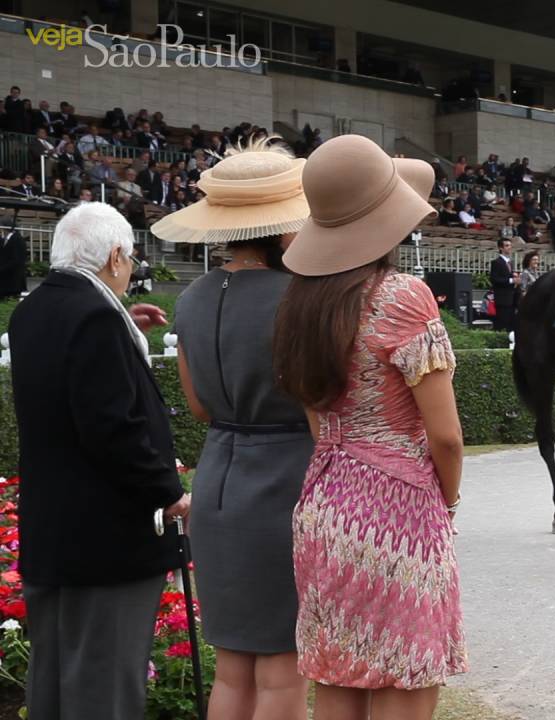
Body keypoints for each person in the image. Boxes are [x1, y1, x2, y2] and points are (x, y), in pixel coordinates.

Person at [275, 134, 467, 717]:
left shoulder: (299, 303)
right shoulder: (404, 297)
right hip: (399, 504)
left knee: (338, 669)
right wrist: (447, 501)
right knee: (405, 672)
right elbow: (447, 436)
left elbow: (317, 416)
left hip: (325, 500)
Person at [151, 138, 323, 720]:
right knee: (281, 671)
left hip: (219, 476)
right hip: (286, 481)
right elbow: (322, 407)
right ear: (282, 228)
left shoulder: (192, 296)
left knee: (232, 670)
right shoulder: (302, 298)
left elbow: (198, 406)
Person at [9, 202, 190, 719]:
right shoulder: (93, 317)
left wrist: (122, 324)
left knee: (54, 681)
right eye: (131, 259)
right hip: (105, 540)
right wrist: (168, 493)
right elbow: (112, 428)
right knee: (104, 684)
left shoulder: (35, 308)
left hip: (54, 531)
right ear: (115, 256)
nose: (131, 270)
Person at [490, 238, 518, 331]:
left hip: (512, 297)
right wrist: (511, 280)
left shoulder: (510, 262)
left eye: (510, 245)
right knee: (502, 322)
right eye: (506, 245)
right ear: (501, 248)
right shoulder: (496, 262)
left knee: (511, 322)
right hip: (502, 298)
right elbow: (494, 279)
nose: (509, 248)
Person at [0, 222, 26, 298]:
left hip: (14, 280)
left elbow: (16, 260)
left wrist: (2, 268)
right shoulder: (6, 239)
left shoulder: (17, 239)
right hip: (7, 279)